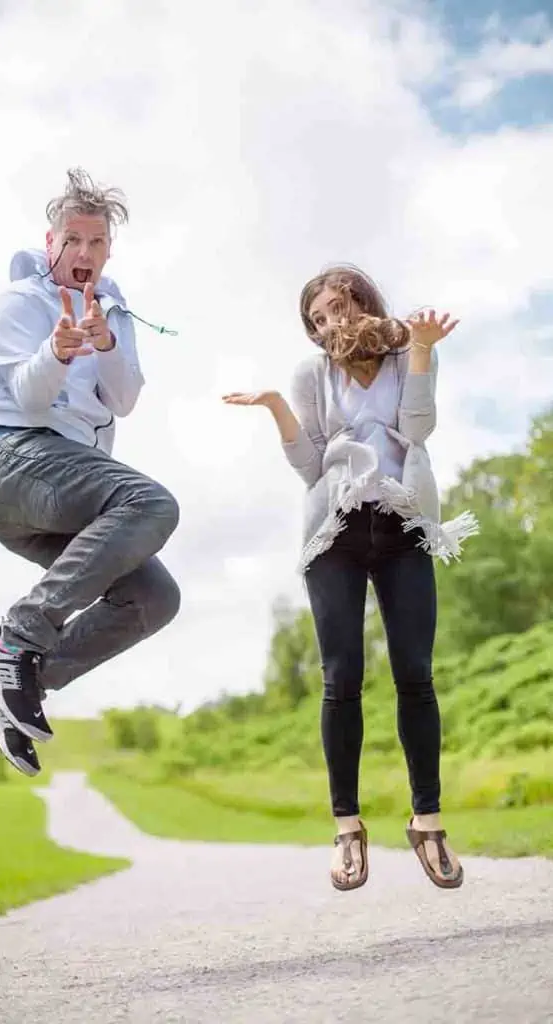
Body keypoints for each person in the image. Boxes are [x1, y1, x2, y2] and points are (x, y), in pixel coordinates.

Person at [223, 264, 478, 891]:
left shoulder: (408, 356)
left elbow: (417, 431)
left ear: (364, 301)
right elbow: (311, 466)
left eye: (339, 307)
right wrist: (278, 407)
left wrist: (418, 350)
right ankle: (347, 829)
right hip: (334, 532)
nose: (331, 323)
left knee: (415, 675)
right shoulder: (312, 374)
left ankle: (427, 822)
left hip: (402, 523)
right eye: (319, 319)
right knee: (341, 679)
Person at [0, 168, 180, 777]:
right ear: (51, 242)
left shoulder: (115, 310)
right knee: (153, 505)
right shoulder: (18, 304)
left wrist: (107, 343)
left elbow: (125, 399)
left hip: (56, 493)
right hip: (6, 461)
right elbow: (30, 402)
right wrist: (56, 352)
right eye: (74, 240)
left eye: (98, 243)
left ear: (109, 249)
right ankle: (14, 639)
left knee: (153, 598)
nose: (85, 253)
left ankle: (17, 687)